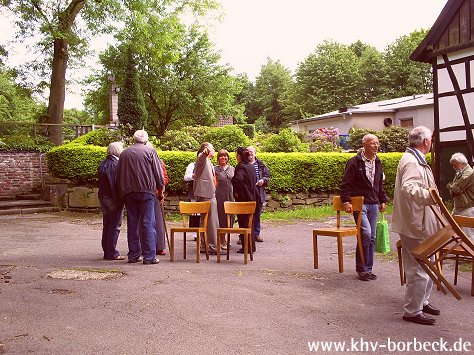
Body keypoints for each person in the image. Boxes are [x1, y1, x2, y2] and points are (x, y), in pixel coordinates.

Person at [391, 126, 442, 326]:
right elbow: (409, 187)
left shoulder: (414, 158)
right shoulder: (412, 161)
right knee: (419, 267)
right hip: (415, 224)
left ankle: (422, 301)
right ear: (426, 141)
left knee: (427, 264)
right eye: (431, 139)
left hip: (419, 222)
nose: (432, 143)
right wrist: (431, 197)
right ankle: (412, 311)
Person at [340, 133, 387, 281]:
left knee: (372, 237)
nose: (376, 146)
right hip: (359, 204)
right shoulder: (354, 162)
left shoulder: (377, 162)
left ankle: (368, 268)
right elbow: (345, 184)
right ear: (365, 145)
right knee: (365, 233)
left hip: (373, 203)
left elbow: (379, 183)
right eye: (373, 143)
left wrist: (382, 199)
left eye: (377, 143)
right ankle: (361, 268)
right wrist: (346, 201)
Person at [116, 130, 165, 265]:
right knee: (148, 223)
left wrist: (122, 193)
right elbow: (159, 175)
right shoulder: (150, 151)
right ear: (146, 139)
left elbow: (118, 175)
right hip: (147, 192)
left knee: (132, 223)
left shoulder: (124, 153)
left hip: (129, 193)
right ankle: (149, 257)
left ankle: (133, 255)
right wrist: (160, 192)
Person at [193, 142, 225, 254]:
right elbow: (201, 157)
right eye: (212, 148)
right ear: (206, 149)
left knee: (207, 221)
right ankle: (212, 247)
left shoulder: (208, 162)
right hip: (206, 194)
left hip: (209, 193)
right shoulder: (202, 158)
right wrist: (204, 152)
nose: (214, 149)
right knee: (210, 221)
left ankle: (205, 245)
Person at [98, 141, 125, 260]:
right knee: (115, 225)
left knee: (107, 224)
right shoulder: (116, 165)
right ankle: (112, 252)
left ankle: (106, 250)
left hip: (103, 197)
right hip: (113, 198)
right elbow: (115, 184)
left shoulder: (103, 163)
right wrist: (120, 198)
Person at [232, 147, 259, 253]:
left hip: (244, 199)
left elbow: (238, 179)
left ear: (239, 156)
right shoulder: (251, 166)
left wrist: (238, 191)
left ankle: (246, 247)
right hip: (252, 197)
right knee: (250, 223)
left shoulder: (241, 167)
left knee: (243, 223)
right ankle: (251, 247)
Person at [246, 146, 270, 243]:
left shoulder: (261, 165)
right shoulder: (243, 164)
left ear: (255, 153)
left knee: (257, 215)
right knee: (246, 215)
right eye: (247, 151)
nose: (249, 153)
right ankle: (244, 235)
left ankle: (256, 234)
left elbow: (267, 177)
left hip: (258, 193)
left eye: (251, 151)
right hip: (247, 193)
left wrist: (263, 181)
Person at [447, 152, 474, 225]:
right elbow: (454, 188)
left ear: (461, 163)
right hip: (460, 206)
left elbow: (455, 187)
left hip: (467, 208)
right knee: (455, 229)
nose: (453, 167)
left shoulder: (469, 173)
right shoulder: (460, 172)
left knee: (467, 233)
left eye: (455, 165)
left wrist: (452, 187)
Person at [215, 149, 235, 228]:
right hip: (218, 196)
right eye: (221, 156)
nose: (223, 158)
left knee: (230, 215)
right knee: (220, 215)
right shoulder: (214, 169)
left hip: (230, 195)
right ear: (218, 158)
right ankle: (221, 236)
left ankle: (227, 233)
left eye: (225, 156)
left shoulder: (232, 169)